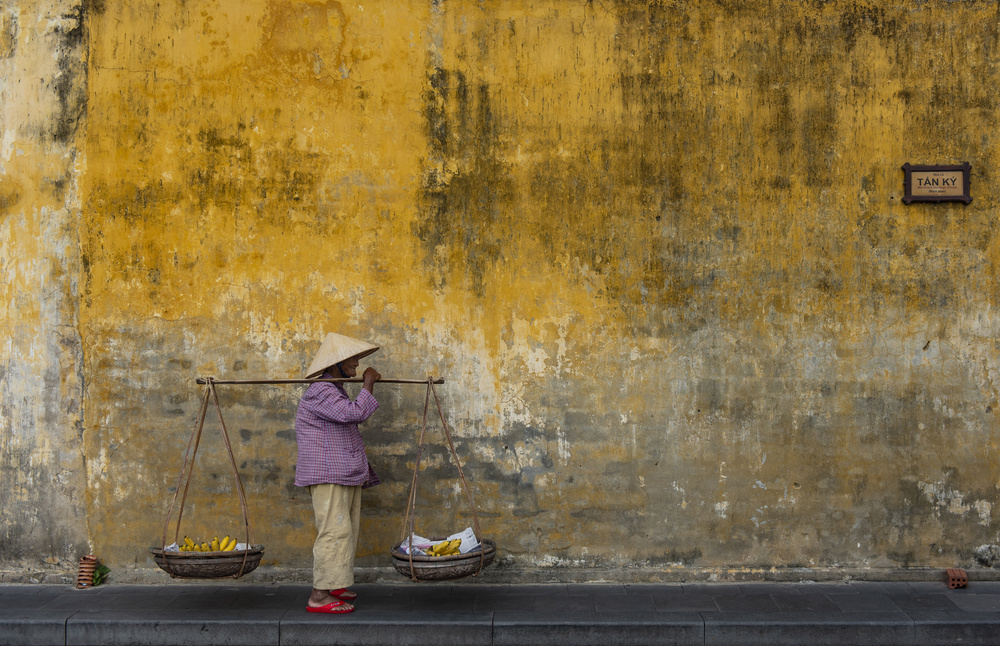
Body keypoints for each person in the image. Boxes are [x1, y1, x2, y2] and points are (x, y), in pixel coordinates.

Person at [294, 332, 382, 614]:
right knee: (334, 532)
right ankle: (318, 596)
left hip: (342, 473)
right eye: (352, 360)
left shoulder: (334, 389)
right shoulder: (322, 390)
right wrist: (368, 384)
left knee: (347, 530)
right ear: (336, 364)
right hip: (328, 475)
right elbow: (353, 413)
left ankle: (335, 583)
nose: (357, 364)